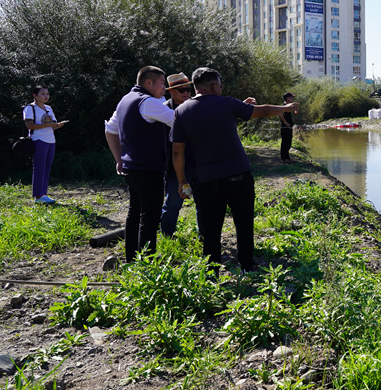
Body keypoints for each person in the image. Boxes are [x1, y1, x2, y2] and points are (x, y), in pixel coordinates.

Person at [171, 68, 300, 274]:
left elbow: (178, 152)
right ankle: (246, 265)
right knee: (243, 220)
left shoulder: (181, 111)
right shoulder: (227, 103)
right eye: (220, 85)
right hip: (237, 175)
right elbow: (264, 111)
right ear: (214, 86)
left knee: (211, 226)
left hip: (205, 180)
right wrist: (286, 107)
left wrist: (181, 181)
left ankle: (211, 271)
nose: (221, 88)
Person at [105, 66, 175, 263]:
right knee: (150, 217)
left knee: (134, 214)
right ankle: (146, 265)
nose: (165, 88)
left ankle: (132, 260)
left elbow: (110, 130)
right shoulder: (148, 102)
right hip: (147, 168)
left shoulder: (125, 100)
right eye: (162, 83)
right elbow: (177, 121)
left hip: (131, 168)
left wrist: (119, 159)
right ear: (148, 82)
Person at [160, 73, 199, 237]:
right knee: (172, 204)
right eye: (181, 90)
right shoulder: (162, 110)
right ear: (171, 91)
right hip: (174, 167)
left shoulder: (196, 107)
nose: (186, 93)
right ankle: (167, 236)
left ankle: (204, 237)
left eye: (188, 89)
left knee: (203, 203)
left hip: (198, 163)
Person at [24, 86, 66, 204]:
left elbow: (52, 124)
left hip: (51, 140)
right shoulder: (30, 108)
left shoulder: (48, 108)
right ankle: (38, 196)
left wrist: (57, 125)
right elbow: (30, 125)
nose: (46, 96)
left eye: (47, 94)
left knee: (47, 168)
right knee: (39, 168)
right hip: (38, 140)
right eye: (43, 94)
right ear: (35, 96)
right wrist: (48, 125)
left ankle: (43, 194)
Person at [278, 92, 297, 164]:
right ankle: (283, 159)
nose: (292, 98)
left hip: (289, 127)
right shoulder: (284, 106)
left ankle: (288, 157)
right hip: (285, 127)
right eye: (291, 97)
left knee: (289, 142)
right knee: (285, 143)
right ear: (287, 98)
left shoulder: (288, 106)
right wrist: (286, 123)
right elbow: (280, 114)